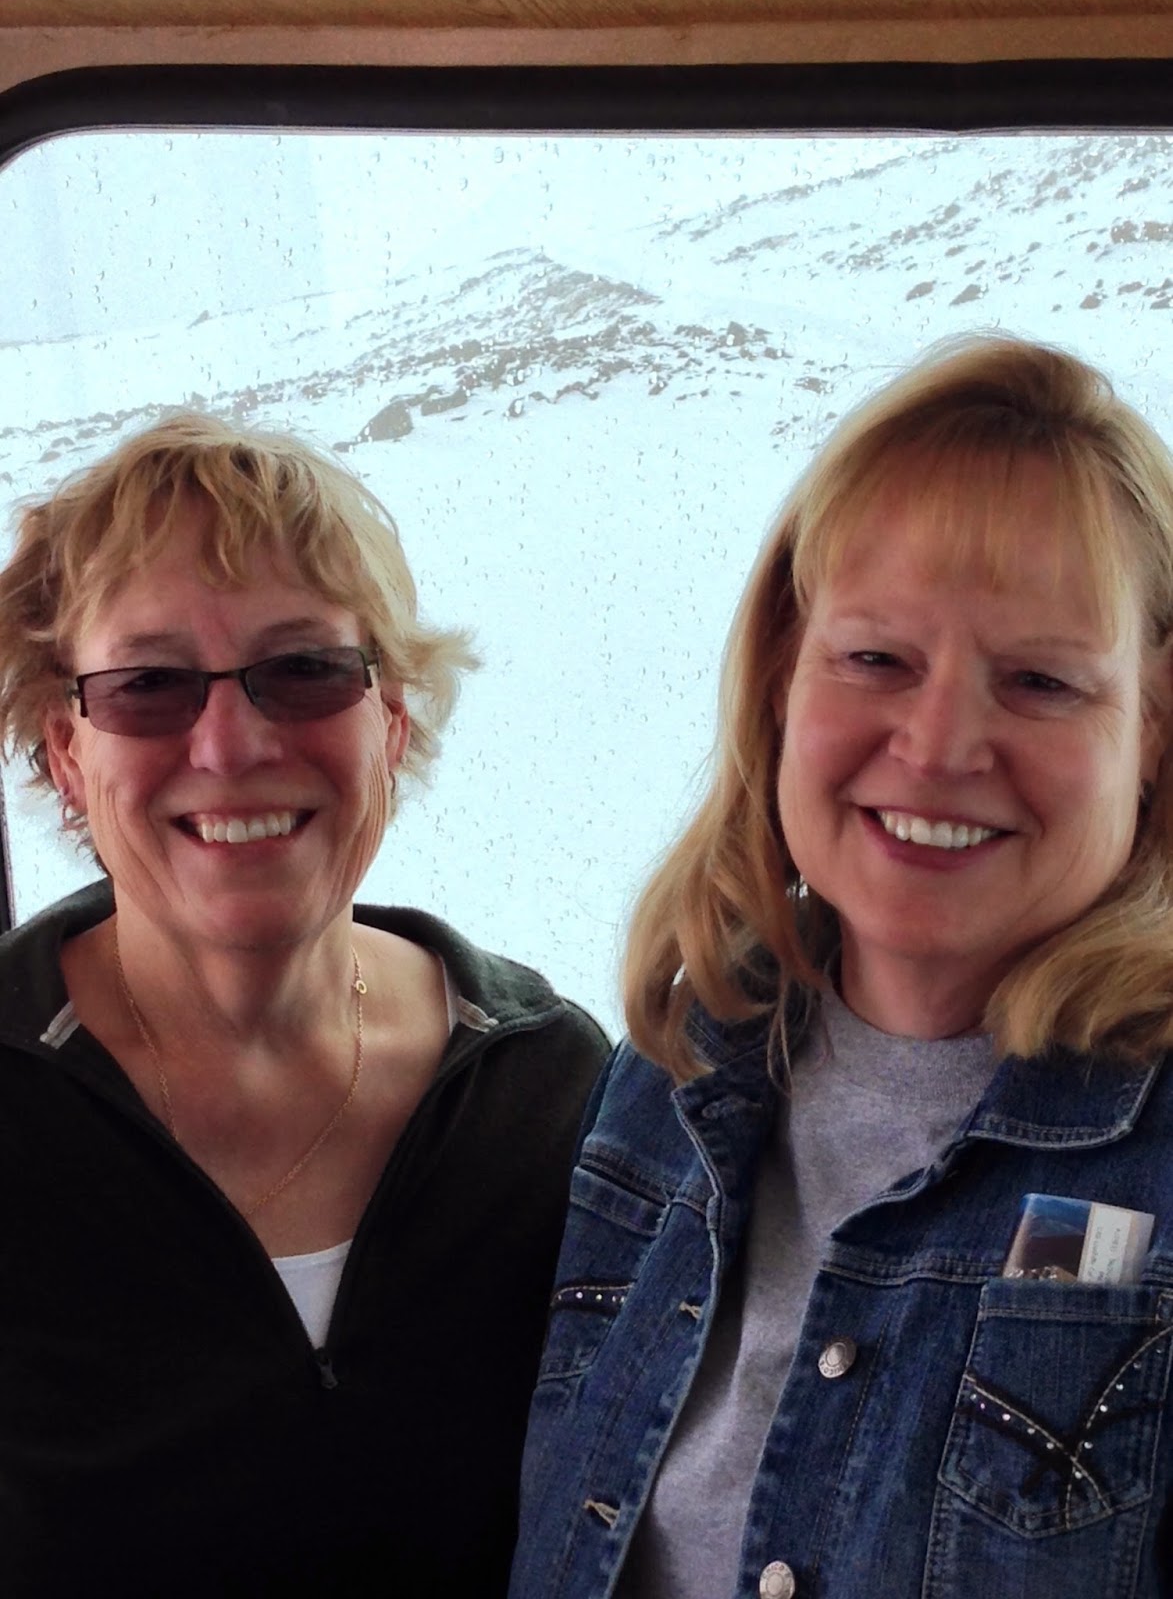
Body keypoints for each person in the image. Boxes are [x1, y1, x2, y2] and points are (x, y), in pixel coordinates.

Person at [509, 335, 1173, 1599]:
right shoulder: (670, 1075)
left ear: (1153, 729)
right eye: (877, 659)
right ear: (780, 679)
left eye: (1040, 680)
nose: (939, 743)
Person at [0, 414, 609, 1598]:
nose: (231, 744)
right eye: (148, 685)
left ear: (395, 718)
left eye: (305, 669)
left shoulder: (547, 1094)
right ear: (65, 751)